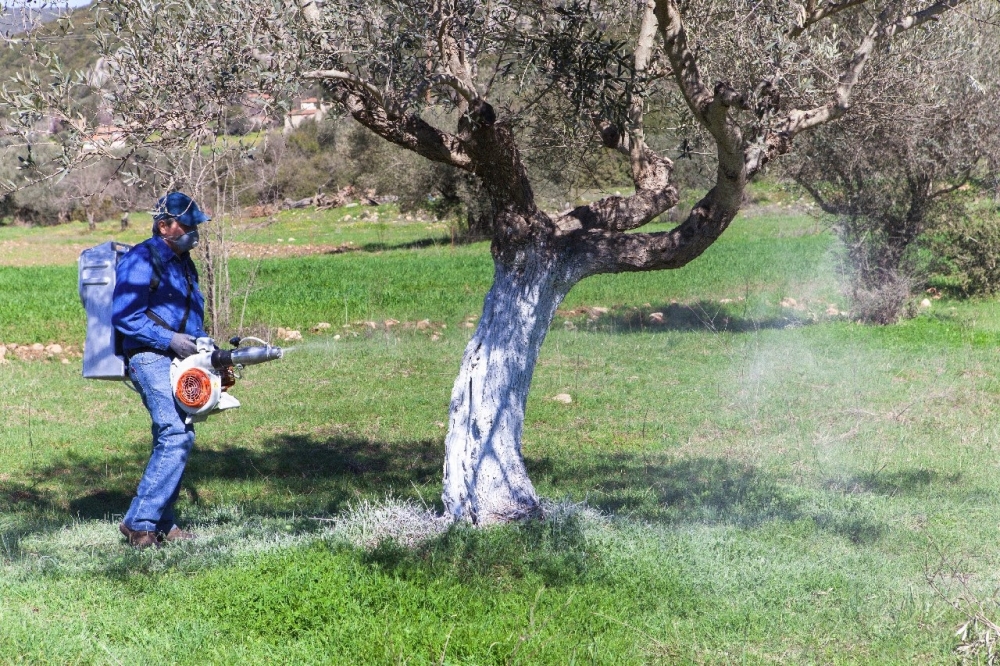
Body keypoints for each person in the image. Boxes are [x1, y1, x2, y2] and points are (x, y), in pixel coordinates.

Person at [112, 191, 211, 549]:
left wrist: (202, 345)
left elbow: (187, 313)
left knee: (177, 434)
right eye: (187, 225)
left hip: (179, 355)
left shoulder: (183, 261)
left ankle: (163, 522)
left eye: (195, 225)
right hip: (148, 355)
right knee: (175, 433)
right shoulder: (141, 258)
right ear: (164, 225)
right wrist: (169, 340)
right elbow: (125, 316)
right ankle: (139, 523)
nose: (194, 232)